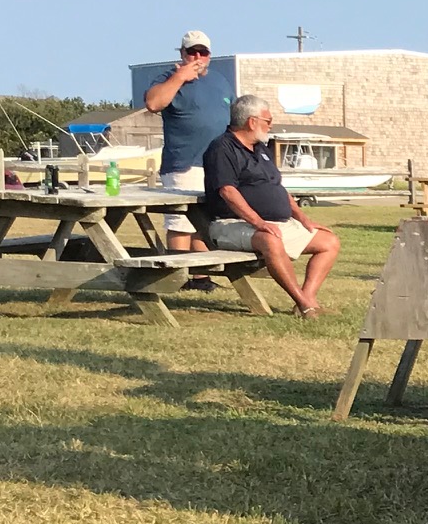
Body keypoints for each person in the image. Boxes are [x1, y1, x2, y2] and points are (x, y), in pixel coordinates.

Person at [200, 95, 340, 315]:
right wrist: (258, 222)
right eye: (268, 120)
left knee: (329, 241)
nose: (271, 125)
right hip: (232, 224)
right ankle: (305, 304)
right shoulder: (222, 148)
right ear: (251, 121)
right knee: (271, 240)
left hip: (274, 223)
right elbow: (227, 191)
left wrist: (303, 219)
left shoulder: (261, 149)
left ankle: (308, 298)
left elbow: (278, 188)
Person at [142, 29, 229, 287]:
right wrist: (181, 76)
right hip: (184, 162)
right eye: (192, 52)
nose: (198, 57)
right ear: (182, 53)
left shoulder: (220, 81)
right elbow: (153, 103)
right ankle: (177, 279)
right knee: (181, 222)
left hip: (214, 163)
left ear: (210, 55)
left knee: (205, 222)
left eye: (203, 52)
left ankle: (201, 277)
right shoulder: (168, 77)